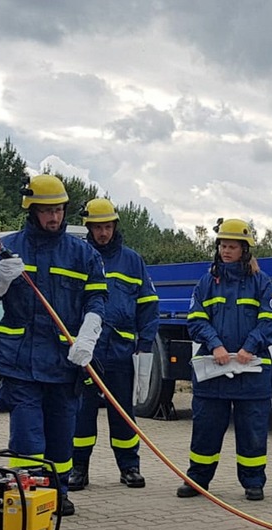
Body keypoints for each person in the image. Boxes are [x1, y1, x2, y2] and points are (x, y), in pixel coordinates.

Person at [0, 174, 107, 517]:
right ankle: (29, 493)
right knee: (28, 435)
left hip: (64, 361)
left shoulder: (83, 254)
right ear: (32, 211)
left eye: (59, 210)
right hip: (20, 360)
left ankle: (57, 492)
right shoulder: (9, 247)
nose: (54, 218)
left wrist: (89, 332)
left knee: (61, 435)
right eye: (47, 211)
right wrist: (1, 276)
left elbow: (97, 299)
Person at [180, 218, 272, 501]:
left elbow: (271, 322)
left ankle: (253, 483)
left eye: (232, 246)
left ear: (244, 250)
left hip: (252, 374)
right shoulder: (207, 282)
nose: (225, 251)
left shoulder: (261, 282)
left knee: (252, 433)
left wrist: (250, 346)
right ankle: (197, 480)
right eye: (222, 245)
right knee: (205, 432)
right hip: (214, 371)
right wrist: (215, 346)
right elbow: (196, 319)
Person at [68, 198, 159, 491]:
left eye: (107, 227)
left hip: (120, 350)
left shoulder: (132, 260)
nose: (103, 233)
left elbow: (147, 303)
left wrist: (145, 343)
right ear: (89, 228)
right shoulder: (79, 256)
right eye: (98, 227)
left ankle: (129, 467)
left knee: (123, 413)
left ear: (115, 226)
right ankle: (78, 468)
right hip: (87, 351)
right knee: (82, 413)